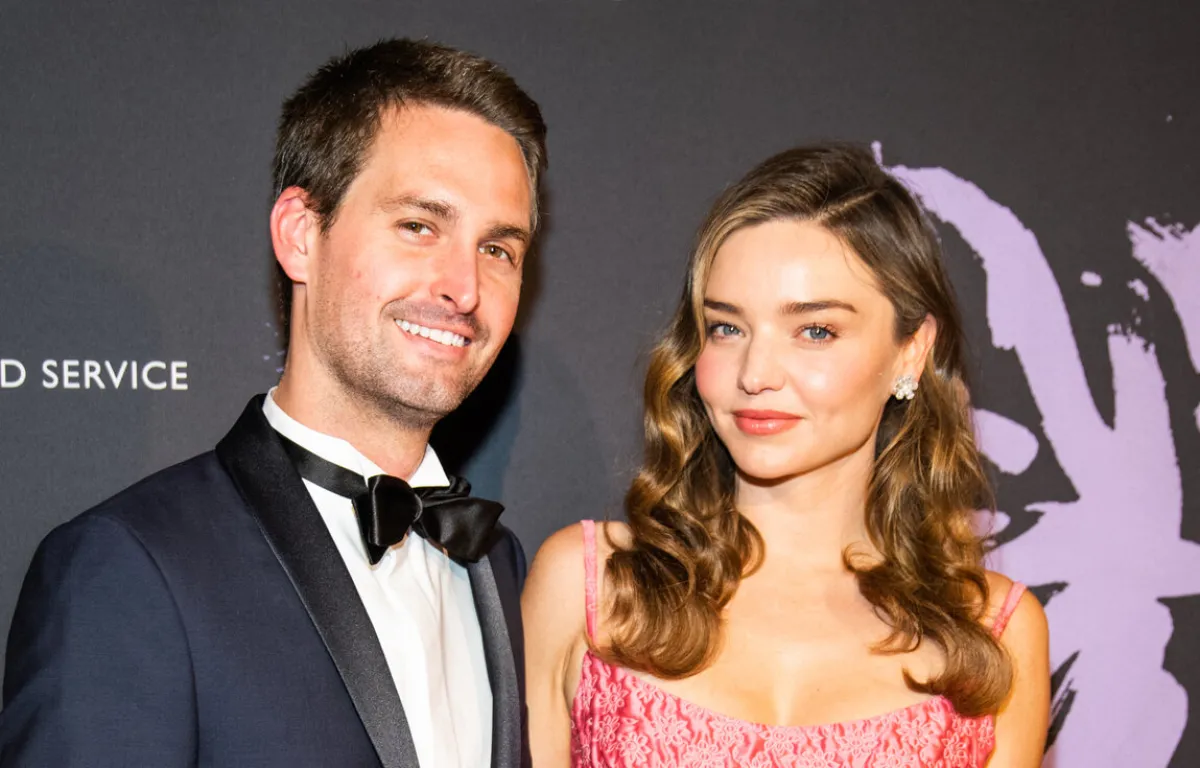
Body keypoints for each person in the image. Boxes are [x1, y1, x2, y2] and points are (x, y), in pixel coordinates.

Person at [1, 38, 545, 768]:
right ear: (299, 236)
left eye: (498, 249)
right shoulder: (129, 570)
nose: (465, 287)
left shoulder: (497, 564)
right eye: (419, 226)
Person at [523, 143, 1049, 767]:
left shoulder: (993, 633)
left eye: (815, 330)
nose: (756, 373)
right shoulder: (591, 587)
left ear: (910, 352)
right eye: (728, 327)